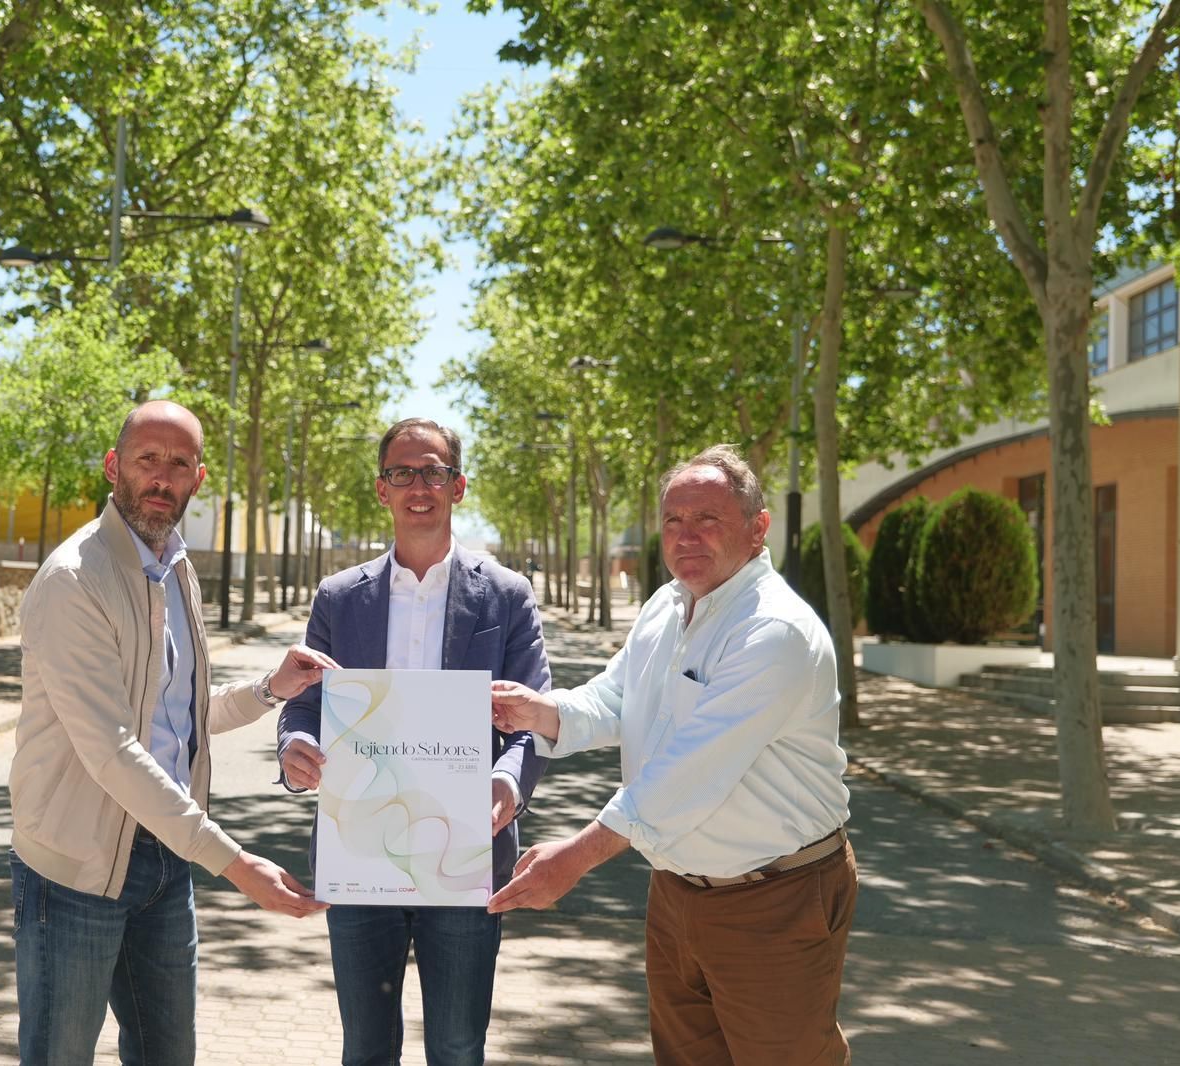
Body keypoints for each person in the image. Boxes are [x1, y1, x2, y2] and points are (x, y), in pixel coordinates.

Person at [489, 444, 856, 1066]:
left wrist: (573, 859)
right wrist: (541, 712)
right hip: (676, 894)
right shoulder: (665, 605)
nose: (687, 536)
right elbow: (617, 698)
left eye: (707, 519)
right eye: (673, 521)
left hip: (774, 899)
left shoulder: (773, 630)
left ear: (758, 526)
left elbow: (686, 775)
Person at [9, 399, 336, 1066]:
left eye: (177, 464)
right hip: (77, 870)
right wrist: (236, 864)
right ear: (113, 467)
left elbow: (180, 715)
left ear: (199, 478)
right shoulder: (76, 581)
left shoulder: (175, 567)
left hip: (164, 863)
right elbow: (113, 750)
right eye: (146, 460)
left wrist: (271, 689)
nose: (161, 477)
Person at [277, 417, 551, 1066]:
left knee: (458, 1048)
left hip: (465, 852)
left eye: (433, 471)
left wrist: (507, 784)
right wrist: (294, 749)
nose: (418, 485)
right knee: (366, 1047)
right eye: (403, 472)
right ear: (382, 490)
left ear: (458, 486)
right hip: (361, 853)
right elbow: (305, 706)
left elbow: (534, 716)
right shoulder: (339, 598)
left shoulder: (508, 597)